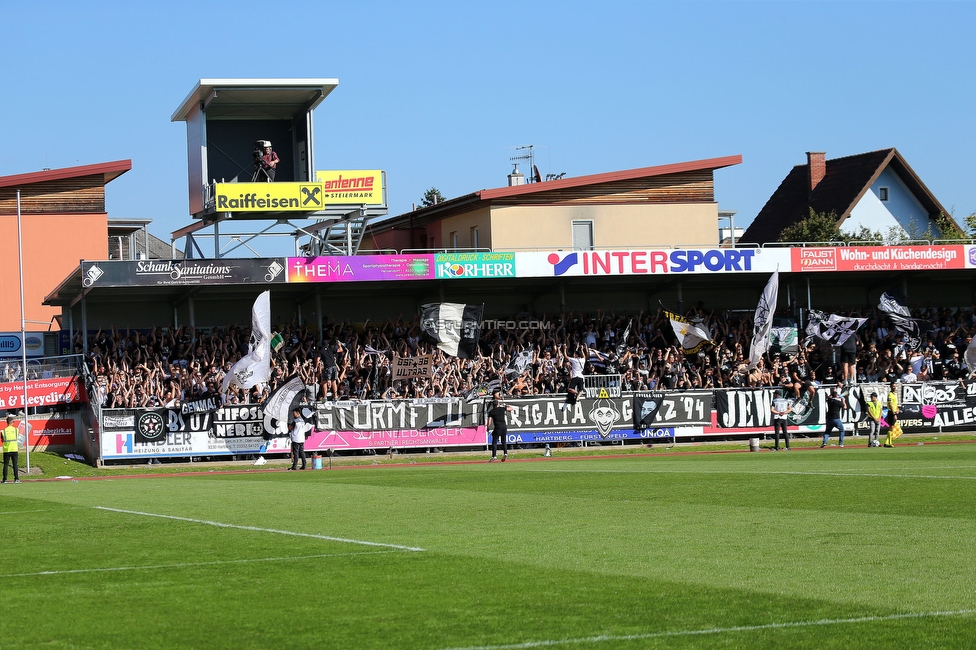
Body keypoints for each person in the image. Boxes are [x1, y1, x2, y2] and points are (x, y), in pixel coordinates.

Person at [486, 390, 514, 462]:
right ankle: (505, 453)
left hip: (497, 427)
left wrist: (488, 428)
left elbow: (489, 421)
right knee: (503, 441)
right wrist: (505, 405)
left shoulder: (491, 412)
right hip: (504, 426)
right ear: (498, 404)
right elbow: (511, 408)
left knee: (494, 441)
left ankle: (494, 456)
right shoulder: (502, 409)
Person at [1, 414, 21, 483]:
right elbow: (18, 435)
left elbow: (2, 439)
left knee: (6, 465)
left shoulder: (3, 431)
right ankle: (16, 479)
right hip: (14, 449)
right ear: (12, 422)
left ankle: (4, 479)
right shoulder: (16, 430)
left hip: (7, 450)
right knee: (15, 464)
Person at [884, 382, 901, 447]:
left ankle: (887, 442)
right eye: (893, 386)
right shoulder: (890, 394)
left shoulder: (895, 394)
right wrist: (894, 413)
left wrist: (898, 409)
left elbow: (895, 404)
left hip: (894, 412)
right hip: (891, 412)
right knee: (891, 427)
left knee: (891, 427)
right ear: (890, 387)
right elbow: (890, 404)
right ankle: (889, 443)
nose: (894, 387)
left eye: (895, 386)